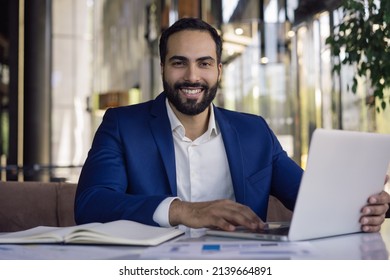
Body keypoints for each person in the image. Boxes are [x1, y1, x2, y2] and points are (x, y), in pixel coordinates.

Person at [75, 17, 389, 233]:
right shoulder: (122, 125)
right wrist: (185, 211)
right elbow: (91, 205)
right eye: (179, 62)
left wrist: (366, 206)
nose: (192, 76)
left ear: (219, 70)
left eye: (204, 63)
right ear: (162, 67)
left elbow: (309, 198)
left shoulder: (255, 133)